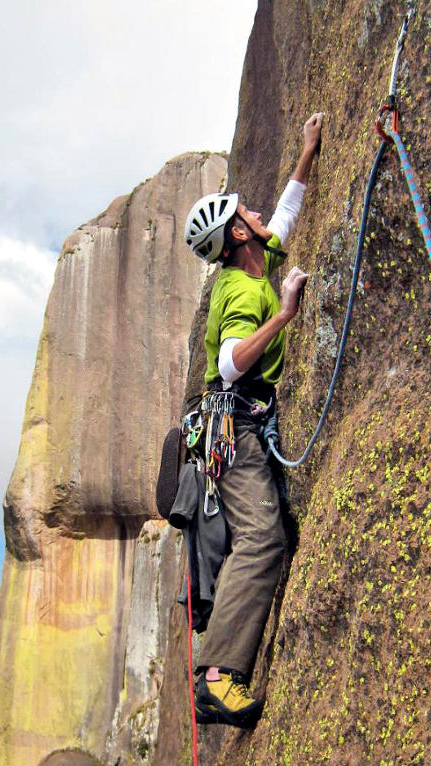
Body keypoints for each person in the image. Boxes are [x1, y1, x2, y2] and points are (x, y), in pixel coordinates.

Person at [182, 112, 323, 728]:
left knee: (268, 534)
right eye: (248, 215)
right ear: (238, 235)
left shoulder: (254, 262)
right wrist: (285, 317)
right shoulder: (241, 291)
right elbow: (229, 362)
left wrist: (307, 154)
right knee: (262, 539)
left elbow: (285, 216)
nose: (259, 213)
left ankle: (221, 671)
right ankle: (217, 678)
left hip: (242, 428)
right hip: (232, 434)